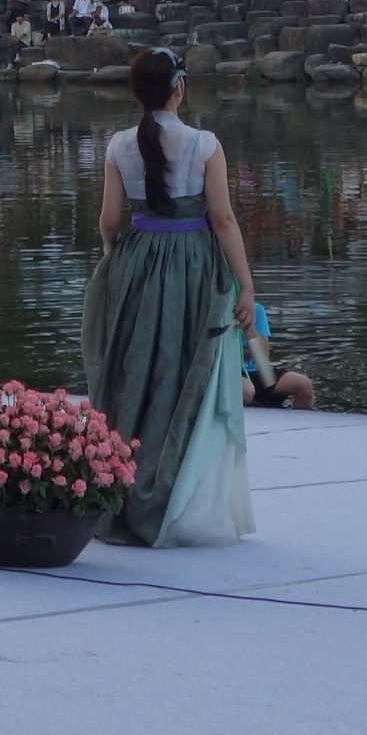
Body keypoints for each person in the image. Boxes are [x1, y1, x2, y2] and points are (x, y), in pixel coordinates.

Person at [81, 46, 257, 547]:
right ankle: (176, 501)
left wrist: (118, 255)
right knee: (184, 375)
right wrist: (246, 284)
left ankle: (117, 484)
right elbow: (223, 219)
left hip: (137, 261)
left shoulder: (119, 145)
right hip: (192, 265)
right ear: (179, 88)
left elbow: (109, 220)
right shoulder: (204, 144)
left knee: (134, 374)